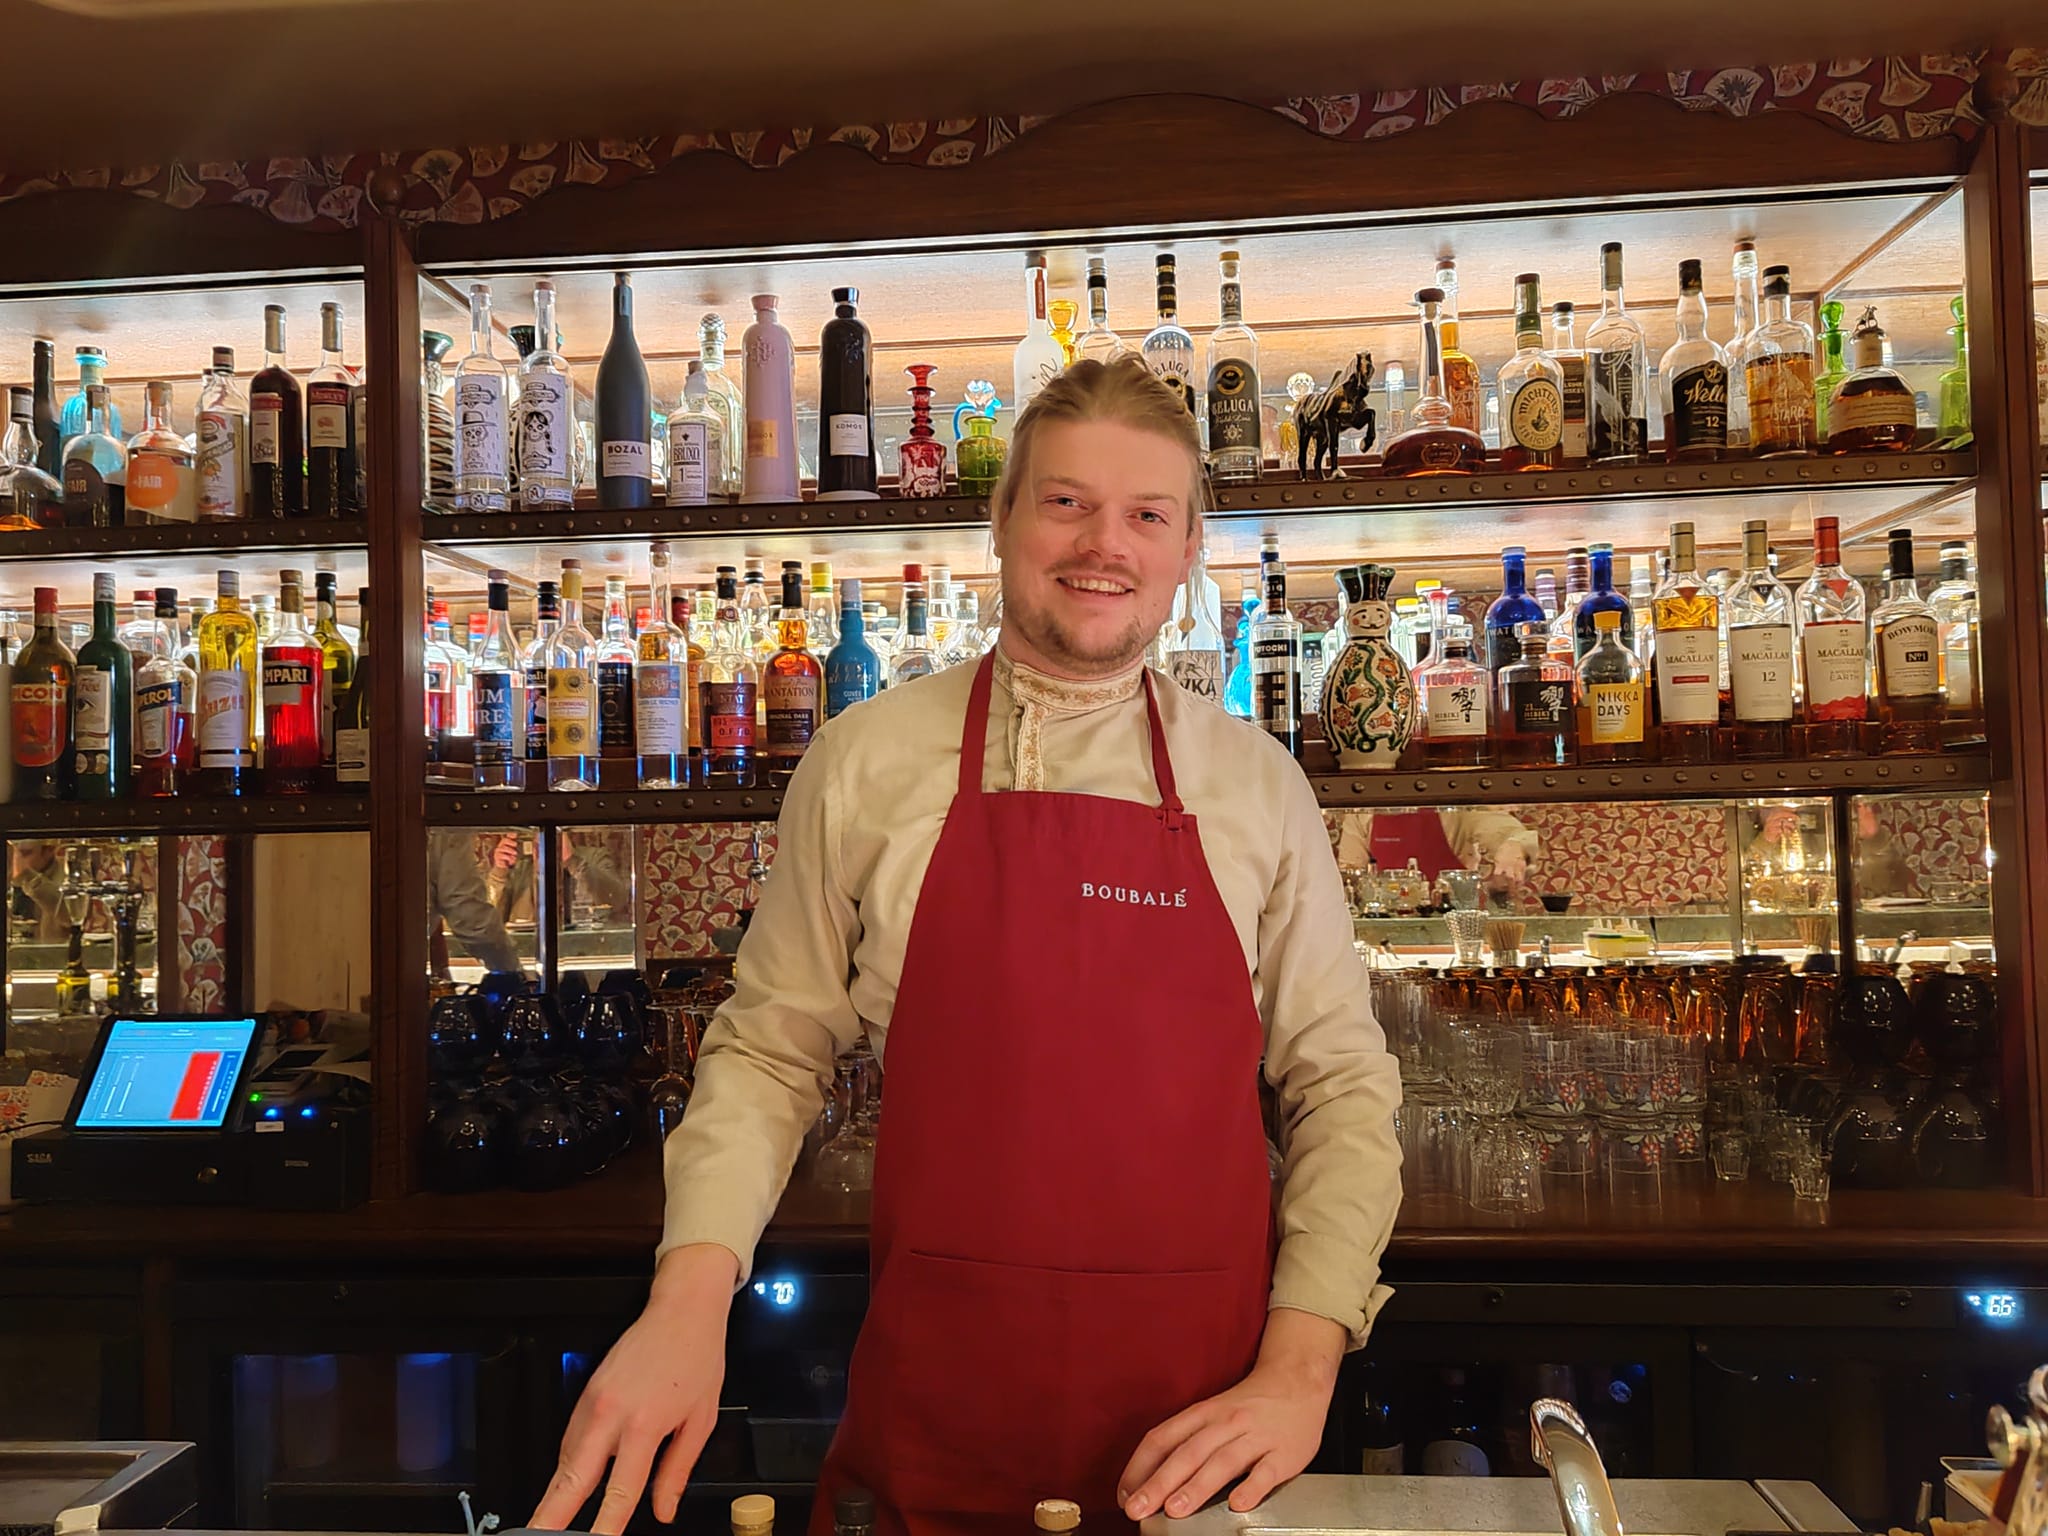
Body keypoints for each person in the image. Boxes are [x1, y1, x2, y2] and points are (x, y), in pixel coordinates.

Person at [532, 358, 1402, 1536]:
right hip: (940, 1406)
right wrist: (687, 1302)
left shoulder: (1255, 785)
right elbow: (770, 1054)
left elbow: (1341, 1089)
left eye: (1147, 514)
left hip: (1209, 1434)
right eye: (1064, 502)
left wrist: (1300, 1367)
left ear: (1191, 547)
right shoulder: (863, 762)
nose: (1105, 544)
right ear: (997, 519)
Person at [1332, 808, 1539, 897]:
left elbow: (1502, 829)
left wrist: (1513, 847)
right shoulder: (1362, 812)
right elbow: (1350, 875)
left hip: (1453, 926)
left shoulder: (1455, 805)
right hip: (1390, 932)